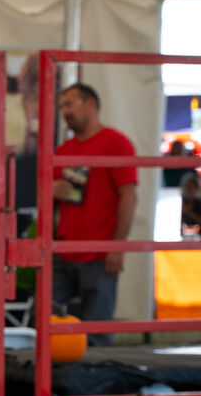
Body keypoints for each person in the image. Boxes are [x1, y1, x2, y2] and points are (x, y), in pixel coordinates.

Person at [51, 83, 138, 345]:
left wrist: (116, 247)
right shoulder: (63, 150)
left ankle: (94, 383)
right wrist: (50, 190)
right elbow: (47, 204)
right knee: (47, 324)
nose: (65, 111)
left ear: (91, 105)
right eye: (62, 106)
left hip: (99, 254)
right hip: (63, 251)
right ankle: (52, 381)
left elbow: (129, 197)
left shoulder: (116, 143)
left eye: (70, 104)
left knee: (96, 333)